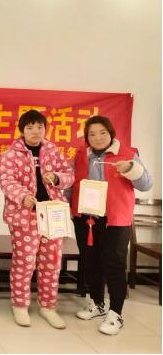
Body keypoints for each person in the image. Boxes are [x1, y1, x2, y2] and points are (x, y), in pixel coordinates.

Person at [71, 115, 153, 335]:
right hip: (86, 219)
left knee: (115, 264)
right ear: (86, 137)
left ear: (111, 133)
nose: (97, 138)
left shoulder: (128, 154)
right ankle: (97, 303)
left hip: (115, 219)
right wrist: (67, 209)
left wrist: (130, 168)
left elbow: (146, 184)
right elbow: (71, 184)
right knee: (90, 262)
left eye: (102, 133)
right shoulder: (80, 155)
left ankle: (116, 313)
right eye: (92, 134)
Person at [0, 110, 74, 329]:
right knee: (24, 262)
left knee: (52, 263)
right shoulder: (11, 154)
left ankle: (48, 307)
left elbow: (69, 175)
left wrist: (57, 178)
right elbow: (6, 181)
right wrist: (24, 197)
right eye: (30, 127)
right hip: (24, 215)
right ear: (22, 130)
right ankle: (20, 305)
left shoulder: (52, 150)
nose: (35, 131)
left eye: (40, 127)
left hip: (52, 214)